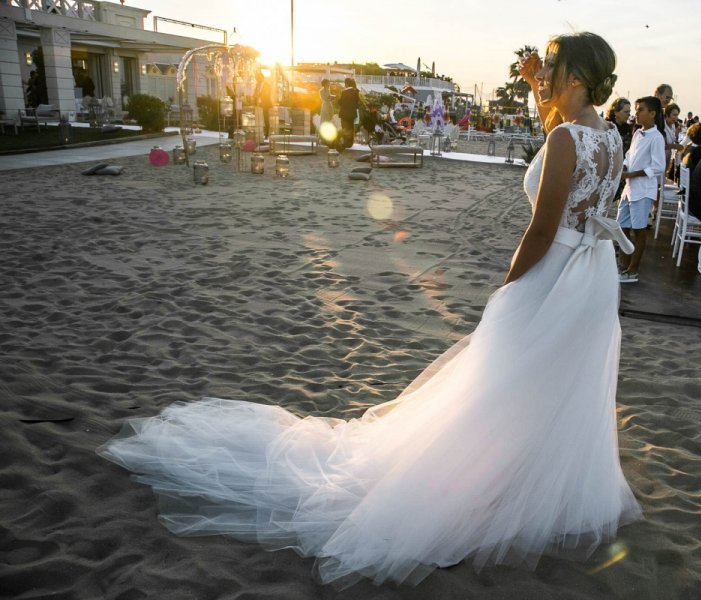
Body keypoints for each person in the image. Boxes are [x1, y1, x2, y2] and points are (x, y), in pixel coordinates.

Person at [98, 31, 641, 588]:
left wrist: (509, 290)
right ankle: (534, 484)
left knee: (500, 377)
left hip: (554, 272)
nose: (545, 70)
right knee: (556, 382)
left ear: (576, 76)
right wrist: (533, 87)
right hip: (595, 278)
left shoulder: (568, 139)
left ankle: (480, 484)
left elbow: (543, 227)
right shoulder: (611, 135)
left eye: (553, 65)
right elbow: (563, 143)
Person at [615, 96, 666, 283]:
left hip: (643, 191)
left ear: (652, 113)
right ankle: (623, 266)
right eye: (636, 109)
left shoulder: (656, 138)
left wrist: (632, 174)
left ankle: (633, 270)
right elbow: (629, 155)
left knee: (639, 231)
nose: (636, 113)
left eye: (640, 110)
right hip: (629, 189)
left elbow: (659, 166)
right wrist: (625, 167)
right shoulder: (637, 133)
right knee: (622, 227)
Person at [337, 77, 361, 149]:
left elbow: (341, 102)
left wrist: (338, 99)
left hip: (344, 114)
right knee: (351, 128)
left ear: (346, 83)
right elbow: (357, 102)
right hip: (352, 114)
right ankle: (350, 143)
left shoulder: (344, 92)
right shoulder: (356, 91)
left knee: (345, 128)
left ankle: (345, 143)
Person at [254, 71, 274, 140]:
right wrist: (255, 96)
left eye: (258, 78)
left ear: (262, 78)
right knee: (259, 119)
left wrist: (260, 96)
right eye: (256, 78)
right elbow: (255, 93)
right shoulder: (257, 85)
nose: (257, 80)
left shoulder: (267, 85)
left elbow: (267, 94)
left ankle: (266, 134)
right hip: (258, 104)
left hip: (265, 104)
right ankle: (260, 133)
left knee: (266, 119)